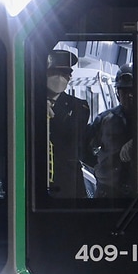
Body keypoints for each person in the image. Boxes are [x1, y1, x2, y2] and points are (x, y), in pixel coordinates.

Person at [85, 68, 137, 197]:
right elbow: (82, 145)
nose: (129, 95)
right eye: (124, 91)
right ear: (117, 93)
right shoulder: (105, 119)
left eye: (133, 91)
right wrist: (99, 167)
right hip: (107, 190)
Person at [45, 49, 90, 199]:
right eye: (53, 72)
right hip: (36, 181)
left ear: (69, 76)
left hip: (68, 185)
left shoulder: (78, 107)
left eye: (64, 73)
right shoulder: (27, 104)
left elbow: (72, 136)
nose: (59, 78)